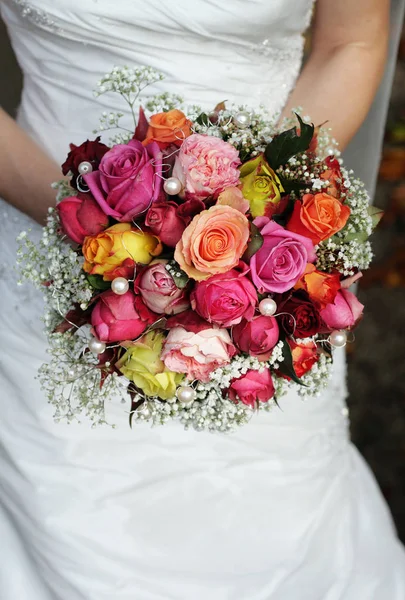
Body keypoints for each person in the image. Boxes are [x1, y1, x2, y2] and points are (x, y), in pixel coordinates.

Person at [0, 0, 404, 598]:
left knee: (269, 521)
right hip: (42, 240)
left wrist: (259, 212)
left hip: (257, 278)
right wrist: (86, 222)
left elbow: (350, 43)